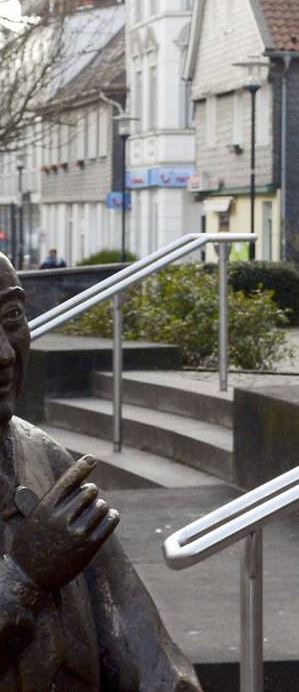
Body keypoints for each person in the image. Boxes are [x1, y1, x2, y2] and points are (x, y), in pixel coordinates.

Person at [0, 253, 201, 689]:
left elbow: (137, 639)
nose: (4, 354)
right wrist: (22, 580)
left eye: (12, 318)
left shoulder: (43, 457)